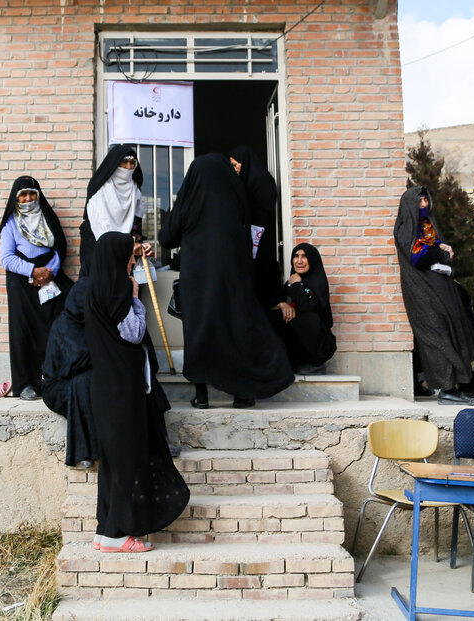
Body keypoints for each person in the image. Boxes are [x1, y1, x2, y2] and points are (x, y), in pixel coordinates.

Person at [158, 153, 294, 408]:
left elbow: (166, 238)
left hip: (198, 284)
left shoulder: (191, 199)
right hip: (234, 283)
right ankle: (242, 394)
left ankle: (201, 396)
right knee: (235, 332)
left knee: (200, 333)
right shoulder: (237, 199)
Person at [84, 232, 189, 552]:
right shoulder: (117, 288)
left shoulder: (93, 287)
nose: (132, 260)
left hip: (107, 388)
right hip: (122, 391)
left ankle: (106, 531)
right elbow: (132, 333)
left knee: (115, 463)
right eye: (128, 255)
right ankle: (119, 534)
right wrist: (134, 298)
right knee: (127, 461)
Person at [42, 241, 174, 468]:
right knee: (89, 381)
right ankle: (87, 450)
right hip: (63, 385)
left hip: (97, 370)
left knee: (135, 372)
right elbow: (80, 360)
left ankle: (156, 439)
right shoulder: (66, 329)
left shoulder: (100, 319)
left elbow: (131, 339)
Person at [393, 186, 474, 405]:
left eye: (426, 200)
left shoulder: (429, 225)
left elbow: (439, 253)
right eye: (419, 201)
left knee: (452, 333)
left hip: (441, 288)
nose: (424, 205)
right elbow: (418, 256)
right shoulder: (405, 228)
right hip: (422, 291)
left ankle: (460, 386)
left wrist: (440, 249)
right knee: (437, 335)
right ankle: (446, 389)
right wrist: (440, 250)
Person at [0, 176, 72, 401]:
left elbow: (60, 247)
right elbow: (7, 258)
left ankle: (52, 378)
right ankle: (26, 384)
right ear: (16, 198)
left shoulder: (47, 218)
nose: (28, 199)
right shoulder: (11, 223)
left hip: (50, 279)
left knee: (56, 325)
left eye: (32, 194)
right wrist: (33, 271)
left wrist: (49, 272)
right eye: (23, 195)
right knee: (23, 331)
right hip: (22, 283)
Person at [268, 243, 336, 375]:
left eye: (304, 257)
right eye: (296, 256)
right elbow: (270, 300)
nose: (299, 261)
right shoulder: (292, 281)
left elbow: (306, 306)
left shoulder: (316, 282)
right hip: (297, 344)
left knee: (309, 318)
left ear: (312, 260)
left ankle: (315, 364)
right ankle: (283, 362)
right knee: (271, 315)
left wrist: (297, 284)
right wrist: (282, 304)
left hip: (317, 344)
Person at [229, 145, 283, 310]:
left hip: (262, 238)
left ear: (245, 163)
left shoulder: (262, 181)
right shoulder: (245, 183)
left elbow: (261, 215)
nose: (234, 169)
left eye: (235, 165)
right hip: (253, 238)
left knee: (261, 275)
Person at [80, 144, 144, 276]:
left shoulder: (135, 189)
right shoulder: (101, 189)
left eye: (132, 163)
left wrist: (135, 241)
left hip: (125, 250)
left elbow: (136, 221)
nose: (128, 167)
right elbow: (98, 222)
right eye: (124, 162)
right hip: (96, 245)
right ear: (115, 164)